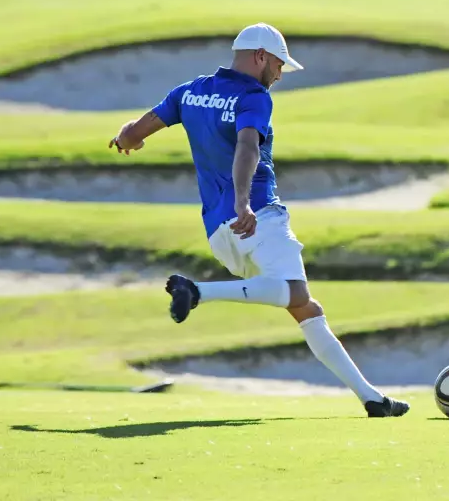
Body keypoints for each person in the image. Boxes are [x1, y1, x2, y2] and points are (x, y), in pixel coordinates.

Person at [108, 23, 409, 418]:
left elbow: (136, 130)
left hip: (219, 232)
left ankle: (372, 400)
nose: (280, 75)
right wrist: (244, 202)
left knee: (305, 310)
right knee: (297, 294)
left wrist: (127, 138)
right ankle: (197, 291)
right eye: (279, 65)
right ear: (260, 57)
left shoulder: (190, 91)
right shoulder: (253, 96)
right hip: (256, 215)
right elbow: (248, 145)